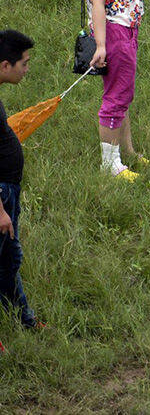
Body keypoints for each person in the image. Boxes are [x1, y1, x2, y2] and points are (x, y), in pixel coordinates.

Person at [82, 0, 150, 182]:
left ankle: (129, 152)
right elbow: (97, 3)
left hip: (129, 28)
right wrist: (101, 45)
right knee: (116, 96)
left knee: (123, 92)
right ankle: (110, 165)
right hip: (112, 31)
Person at [0, 30, 40, 344]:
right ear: (4, 66)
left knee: (9, 259)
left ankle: (24, 320)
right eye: (23, 64)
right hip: (1, 197)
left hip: (8, 191)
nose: (27, 69)